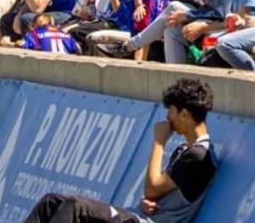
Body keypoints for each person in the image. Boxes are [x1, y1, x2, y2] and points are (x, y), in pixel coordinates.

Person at [23, 78, 217, 223]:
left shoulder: (199, 155)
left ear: (184, 114)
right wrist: (147, 202)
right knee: (51, 201)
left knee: (76, 207)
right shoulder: (185, 149)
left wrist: (159, 142)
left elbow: (152, 187)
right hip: (137, 215)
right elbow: (153, 195)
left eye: (171, 112)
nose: (168, 118)